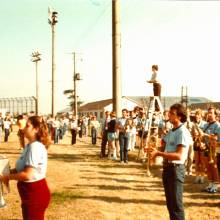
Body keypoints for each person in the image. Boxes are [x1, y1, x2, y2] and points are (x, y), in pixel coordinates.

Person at [0, 116, 51, 220]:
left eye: (27, 126)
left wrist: (7, 177)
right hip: (29, 193)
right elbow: (21, 169)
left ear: (36, 129)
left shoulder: (35, 147)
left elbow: (27, 175)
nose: (24, 128)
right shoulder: (29, 145)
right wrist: (4, 169)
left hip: (35, 193)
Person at [150, 103, 191, 220]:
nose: (169, 115)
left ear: (180, 117)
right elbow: (163, 146)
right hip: (168, 169)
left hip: (176, 170)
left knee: (176, 205)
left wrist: (159, 154)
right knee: (170, 203)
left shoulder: (182, 132)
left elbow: (179, 155)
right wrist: (154, 149)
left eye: (172, 113)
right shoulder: (172, 131)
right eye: (169, 112)